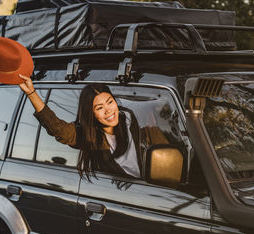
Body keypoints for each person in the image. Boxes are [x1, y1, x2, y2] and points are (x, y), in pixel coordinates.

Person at [18, 74, 168, 180]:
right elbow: (58, 129)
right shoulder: (88, 136)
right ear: (92, 113)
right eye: (99, 108)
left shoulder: (127, 118)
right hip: (117, 193)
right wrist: (31, 93)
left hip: (145, 185)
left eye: (110, 102)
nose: (109, 110)